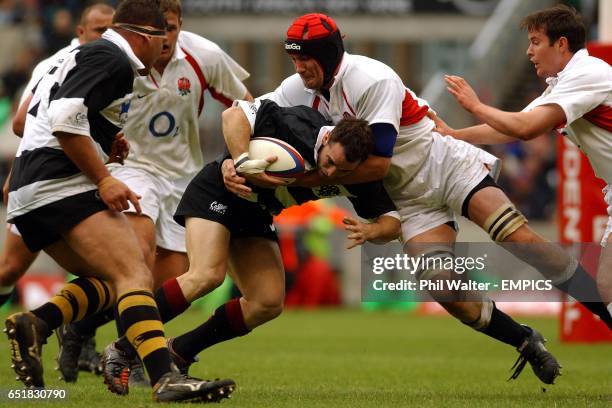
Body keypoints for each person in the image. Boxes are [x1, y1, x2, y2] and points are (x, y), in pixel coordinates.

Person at [222, 12, 610, 384]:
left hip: (443, 166)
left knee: (520, 241)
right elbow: (244, 112)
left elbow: (376, 165)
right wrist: (234, 162)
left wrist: (307, 179)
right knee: (446, 289)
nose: (299, 67)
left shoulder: (371, 77)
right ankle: (525, 340)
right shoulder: (298, 89)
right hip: (408, 200)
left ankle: (603, 310)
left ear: (326, 55)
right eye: (293, 58)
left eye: (305, 58)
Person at [4, 0, 234, 402]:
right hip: (59, 183)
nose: (165, 46)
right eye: (161, 37)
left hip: (35, 184)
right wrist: (104, 178)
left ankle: (38, 324)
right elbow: (63, 118)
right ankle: (165, 378)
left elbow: (57, 113)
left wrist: (106, 141)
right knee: (134, 273)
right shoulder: (111, 58)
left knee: (117, 280)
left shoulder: (85, 55)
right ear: (143, 37)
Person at [102, 98, 401, 388]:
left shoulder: (359, 175)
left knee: (267, 302)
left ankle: (178, 351)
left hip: (256, 212)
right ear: (328, 139)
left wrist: (372, 231)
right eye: (330, 162)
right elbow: (232, 115)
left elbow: (392, 221)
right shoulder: (298, 123)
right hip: (217, 192)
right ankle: (123, 349)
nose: (331, 173)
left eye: (343, 171)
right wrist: (240, 160)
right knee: (207, 275)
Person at [430, 5, 612, 321]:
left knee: (607, 290)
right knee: (606, 291)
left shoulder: (587, 73)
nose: (529, 51)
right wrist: (455, 133)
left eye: (535, 41)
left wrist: (475, 105)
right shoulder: (562, 83)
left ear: (562, 44)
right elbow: (513, 126)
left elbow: (525, 128)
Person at [0, 1, 115, 379]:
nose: (105, 36)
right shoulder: (63, 63)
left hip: (53, 180)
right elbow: (22, 121)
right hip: (56, 180)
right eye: (98, 30)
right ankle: (75, 334)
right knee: (11, 269)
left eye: (111, 29)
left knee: (110, 269)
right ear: (80, 32)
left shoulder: (106, 64)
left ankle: (75, 336)